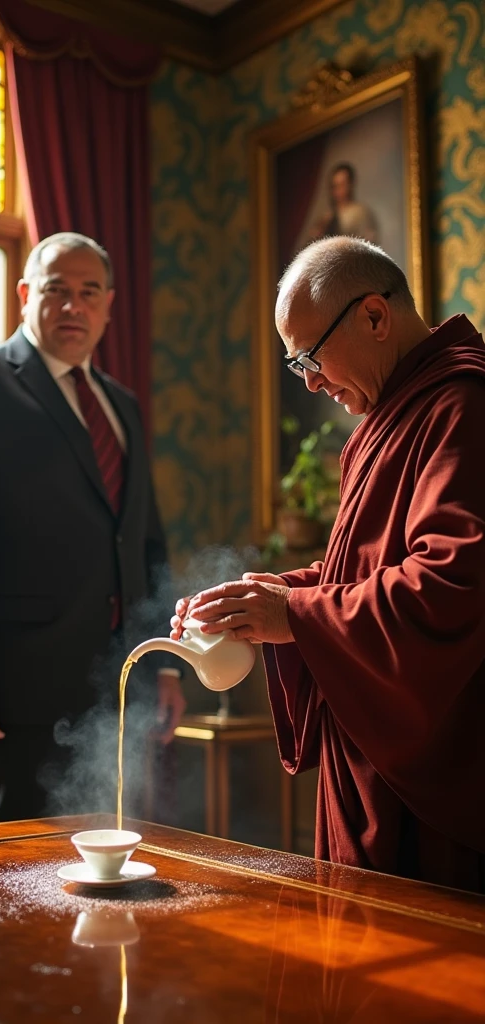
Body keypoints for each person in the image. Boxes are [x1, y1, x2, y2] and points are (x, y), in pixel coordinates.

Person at [172, 235, 485, 893]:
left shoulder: (463, 404)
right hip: (375, 763)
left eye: (310, 356)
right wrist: (268, 595)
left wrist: (298, 614)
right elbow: (367, 570)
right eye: (297, 366)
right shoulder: (396, 411)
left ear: (375, 316)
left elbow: (454, 584)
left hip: (435, 782)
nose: (310, 381)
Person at [0, 231, 186, 825]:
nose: (73, 306)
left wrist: (165, 663)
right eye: (57, 290)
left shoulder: (121, 404)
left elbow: (145, 544)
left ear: (108, 305)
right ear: (26, 294)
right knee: (13, 890)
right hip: (11, 703)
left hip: (120, 696)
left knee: (110, 884)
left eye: (89, 292)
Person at [308, 163, 378, 244]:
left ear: (350, 185)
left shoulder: (361, 213)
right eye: (335, 186)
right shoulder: (327, 215)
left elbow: (369, 242)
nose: (338, 191)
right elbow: (313, 241)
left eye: (342, 185)